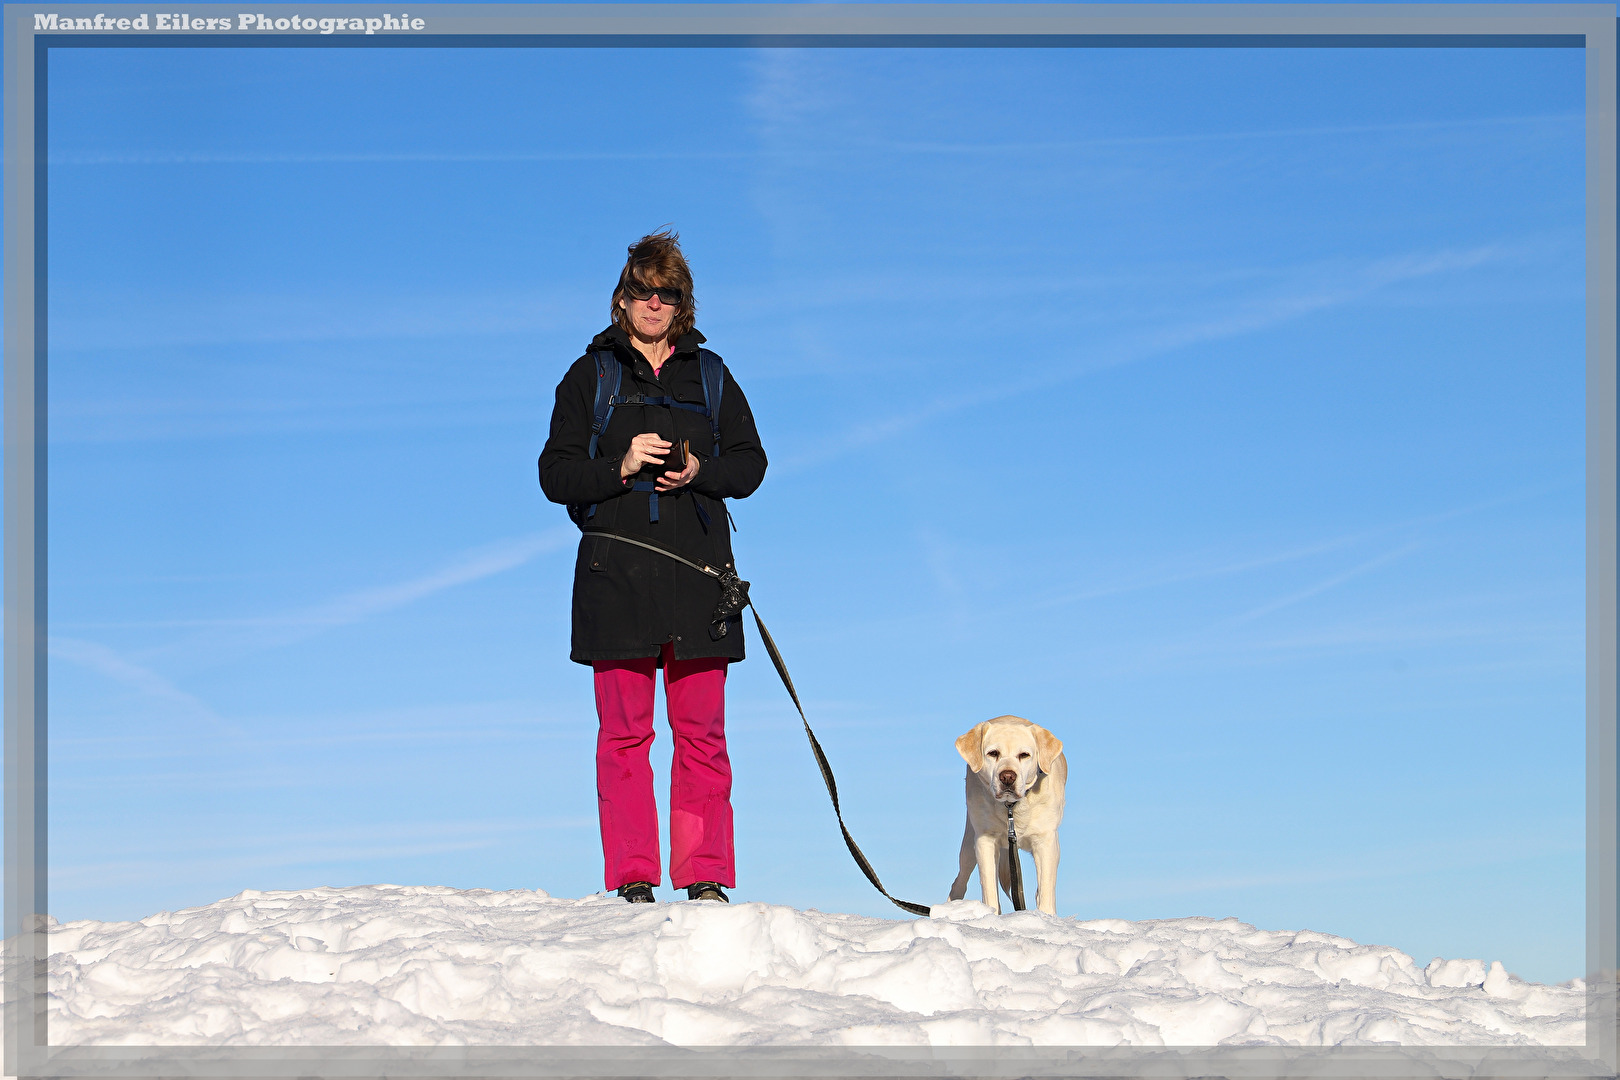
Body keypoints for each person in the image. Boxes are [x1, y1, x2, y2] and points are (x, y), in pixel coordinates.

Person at [538, 230, 767, 904]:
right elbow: (555, 475)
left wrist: (700, 470)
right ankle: (633, 878)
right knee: (624, 737)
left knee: (703, 737)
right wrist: (622, 465)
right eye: (643, 291)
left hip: (700, 581)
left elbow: (751, 466)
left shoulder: (712, 375)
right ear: (622, 298)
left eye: (667, 293)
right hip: (614, 579)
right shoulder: (589, 377)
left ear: (682, 302)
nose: (654, 303)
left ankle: (704, 876)